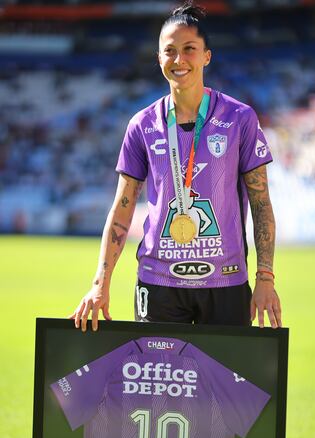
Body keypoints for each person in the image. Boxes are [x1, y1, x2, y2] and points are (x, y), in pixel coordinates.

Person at [70, 1, 282, 331]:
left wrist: (265, 277)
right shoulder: (142, 125)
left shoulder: (240, 119)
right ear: (159, 59)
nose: (179, 60)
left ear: (207, 56)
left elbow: (261, 202)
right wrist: (100, 282)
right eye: (169, 51)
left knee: (222, 383)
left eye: (189, 49)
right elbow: (122, 209)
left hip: (225, 283)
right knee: (162, 383)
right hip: (159, 284)